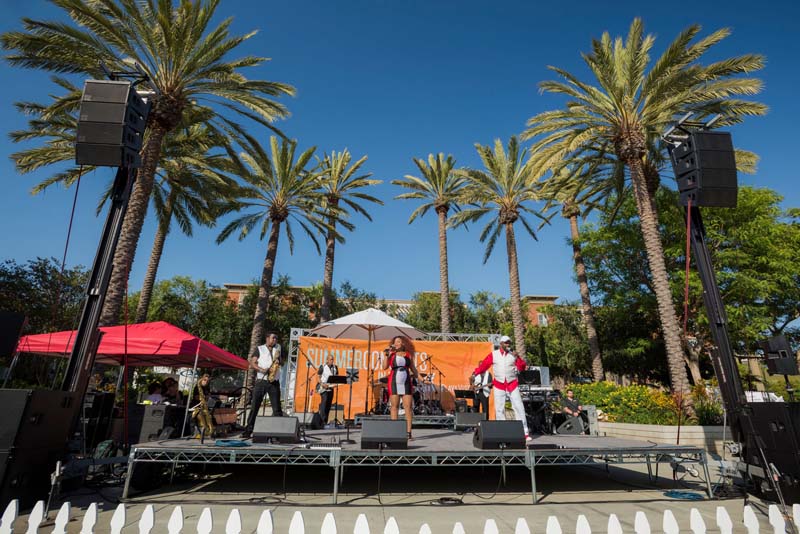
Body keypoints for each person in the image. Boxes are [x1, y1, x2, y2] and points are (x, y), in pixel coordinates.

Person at [471, 335, 532, 443]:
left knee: (519, 407)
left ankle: (525, 433)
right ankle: (503, 431)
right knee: (499, 409)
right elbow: (484, 365)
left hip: (512, 384)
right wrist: (475, 373)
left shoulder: (513, 355)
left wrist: (518, 358)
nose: (508, 344)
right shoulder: (494, 355)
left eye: (509, 342)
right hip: (499, 384)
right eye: (506, 343)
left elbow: (522, 368)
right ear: (501, 344)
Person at [242, 332, 283, 439]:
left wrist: (278, 362)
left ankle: (279, 432)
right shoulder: (259, 349)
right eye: (273, 337)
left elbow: (280, 363)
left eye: (276, 338)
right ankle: (248, 430)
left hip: (274, 381)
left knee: (277, 408)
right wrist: (261, 369)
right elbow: (252, 362)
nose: (275, 340)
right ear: (267, 338)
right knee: (255, 406)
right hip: (262, 380)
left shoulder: (277, 350)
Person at [383, 335, 419, 440]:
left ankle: (408, 433)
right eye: (395, 342)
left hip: (406, 381)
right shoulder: (391, 354)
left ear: (403, 343)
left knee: (408, 407)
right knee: (394, 407)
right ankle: (395, 432)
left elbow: (414, 369)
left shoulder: (408, 355)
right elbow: (384, 367)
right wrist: (386, 355)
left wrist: (422, 379)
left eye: (398, 341)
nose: (396, 343)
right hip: (394, 381)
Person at [316, 355, 338, 426]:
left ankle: (325, 421)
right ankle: (321, 420)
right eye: (331, 359)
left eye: (333, 359)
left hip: (330, 387)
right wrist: (322, 384)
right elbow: (318, 377)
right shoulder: (322, 366)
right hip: (323, 387)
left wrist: (335, 383)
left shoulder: (335, 368)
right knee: (324, 402)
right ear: (327, 360)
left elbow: (336, 377)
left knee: (329, 404)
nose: (332, 361)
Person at [191, 374, 214, 439]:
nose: (206, 382)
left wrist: (207, 397)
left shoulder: (207, 387)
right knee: (200, 415)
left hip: (204, 405)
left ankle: (209, 430)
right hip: (197, 405)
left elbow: (208, 395)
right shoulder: (197, 387)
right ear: (202, 379)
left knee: (210, 415)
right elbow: (196, 397)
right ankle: (200, 430)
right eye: (205, 380)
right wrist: (202, 397)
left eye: (207, 381)